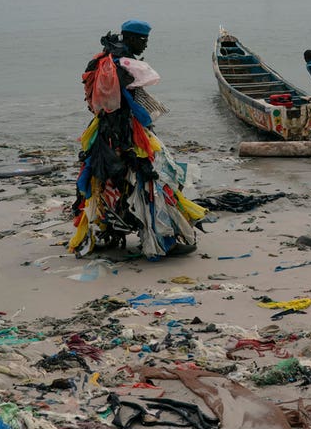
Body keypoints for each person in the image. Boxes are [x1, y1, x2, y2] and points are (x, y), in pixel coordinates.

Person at [68, 19, 207, 259]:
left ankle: (106, 232)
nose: (145, 44)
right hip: (126, 132)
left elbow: (101, 102)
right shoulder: (122, 64)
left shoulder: (106, 60)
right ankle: (161, 240)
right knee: (149, 180)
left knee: (109, 181)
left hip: (105, 130)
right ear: (130, 38)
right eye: (143, 40)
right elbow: (126, 102)